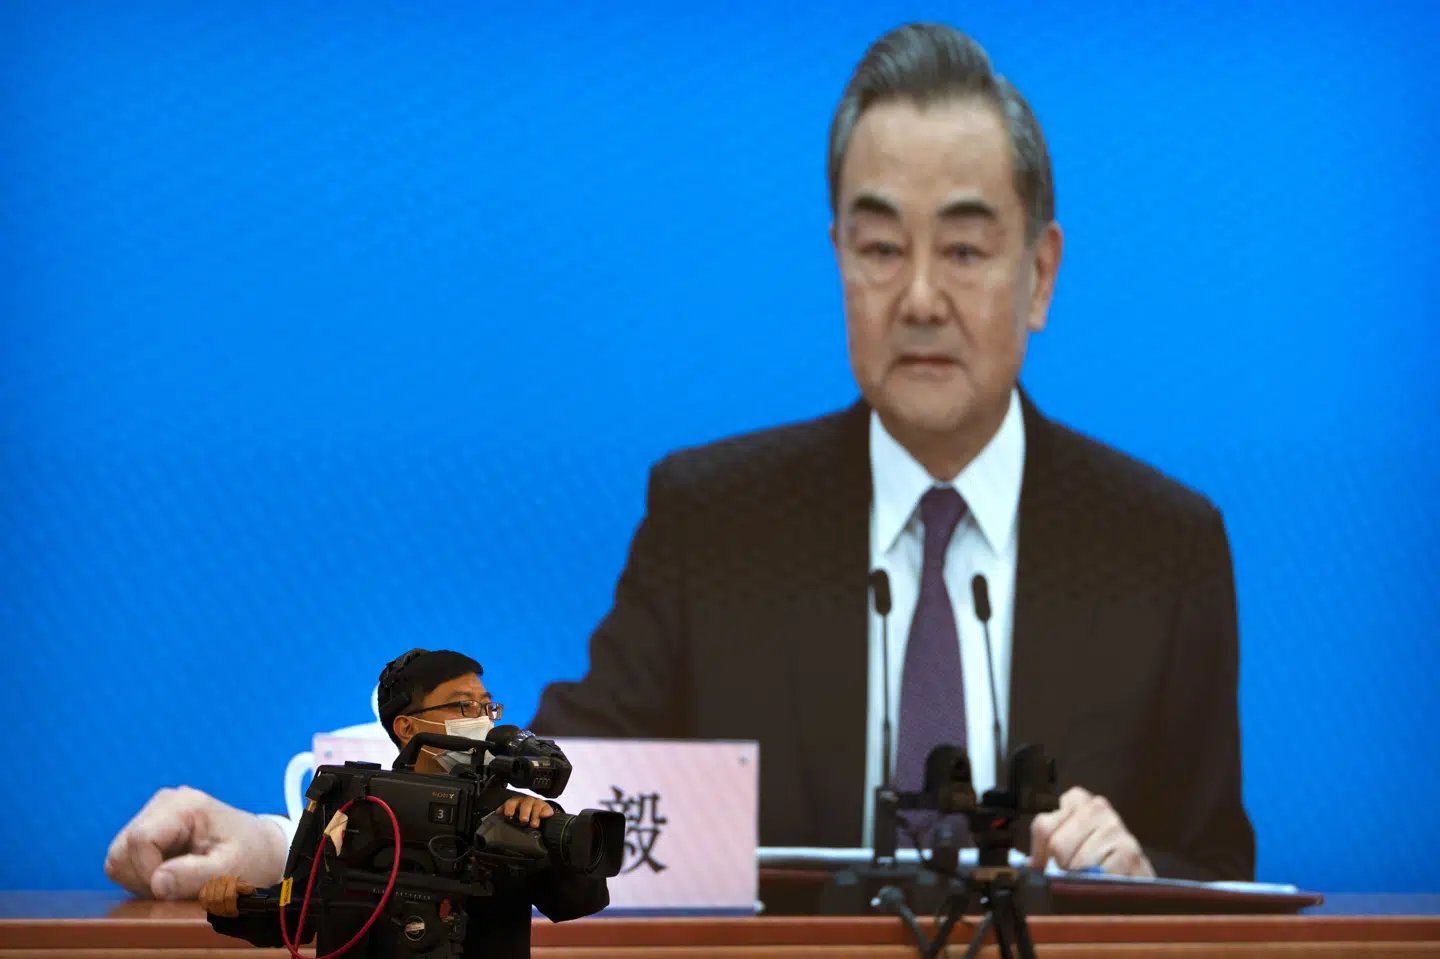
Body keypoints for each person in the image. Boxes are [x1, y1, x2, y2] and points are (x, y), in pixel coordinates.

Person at [104, 21, 1254, 899]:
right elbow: (554, 780)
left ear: (1040, 273)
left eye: (963, 245)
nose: (917, 295)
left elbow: (1228, 881)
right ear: (838, 261)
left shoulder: (1162, 546)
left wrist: (1143, 879)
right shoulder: (719, 521)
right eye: (878, 244)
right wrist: (288, 841)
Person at [197, 649, 609, 958]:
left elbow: (578, 901)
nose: (482, 717)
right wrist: (232, 905)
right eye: (464, 704)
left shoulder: (510, 811)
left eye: (487, 705)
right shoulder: (351, 802)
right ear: (407, 727)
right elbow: (298, 917)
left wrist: (552, 828)